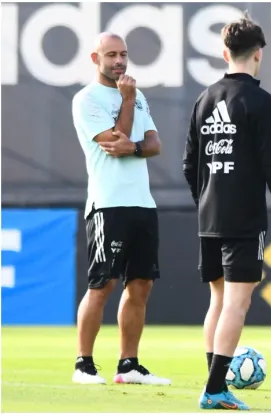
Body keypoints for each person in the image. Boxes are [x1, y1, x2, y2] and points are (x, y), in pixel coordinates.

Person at [183, 12, 271, 411]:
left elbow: (190, 165)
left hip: (209, 218)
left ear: (224, 53)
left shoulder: (204, 99)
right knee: (238, 303)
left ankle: (213, 381)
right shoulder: (259, 101)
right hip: (243, 219)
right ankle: (215, 389)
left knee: (217, 301)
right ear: (259, 54)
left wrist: (205, 202)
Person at [71, 32, 170, 385]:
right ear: (95, 59)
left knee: (140, 284)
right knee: (102, 284)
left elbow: (154, 143)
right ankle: (83, 364)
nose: (119, 61)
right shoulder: (86, 100)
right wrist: (126, 102)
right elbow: (117, 139)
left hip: (142, 203)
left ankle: (129, 365)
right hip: (108, 203)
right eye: (111, 54)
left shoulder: (138, 95)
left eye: (124, 54)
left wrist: (135, 147)